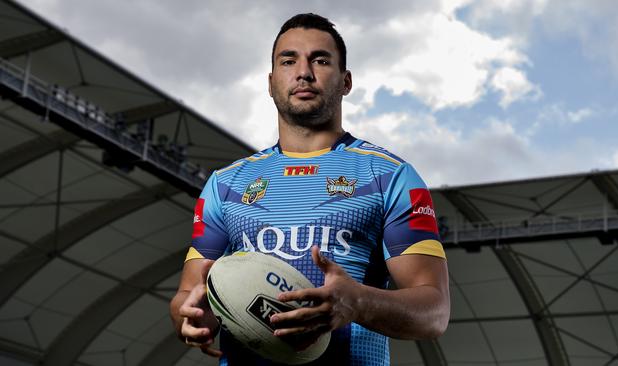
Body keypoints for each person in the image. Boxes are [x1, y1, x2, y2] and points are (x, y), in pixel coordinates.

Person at [170, 13, 450, 365]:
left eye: (320, 60)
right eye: (289, 60)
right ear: (271, 81)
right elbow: (185, 295)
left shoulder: (390, 176)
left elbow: (434, 313)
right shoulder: (225, 184)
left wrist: (358, 302)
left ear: (346, 81)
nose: (303, 72)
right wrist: (193, 317)